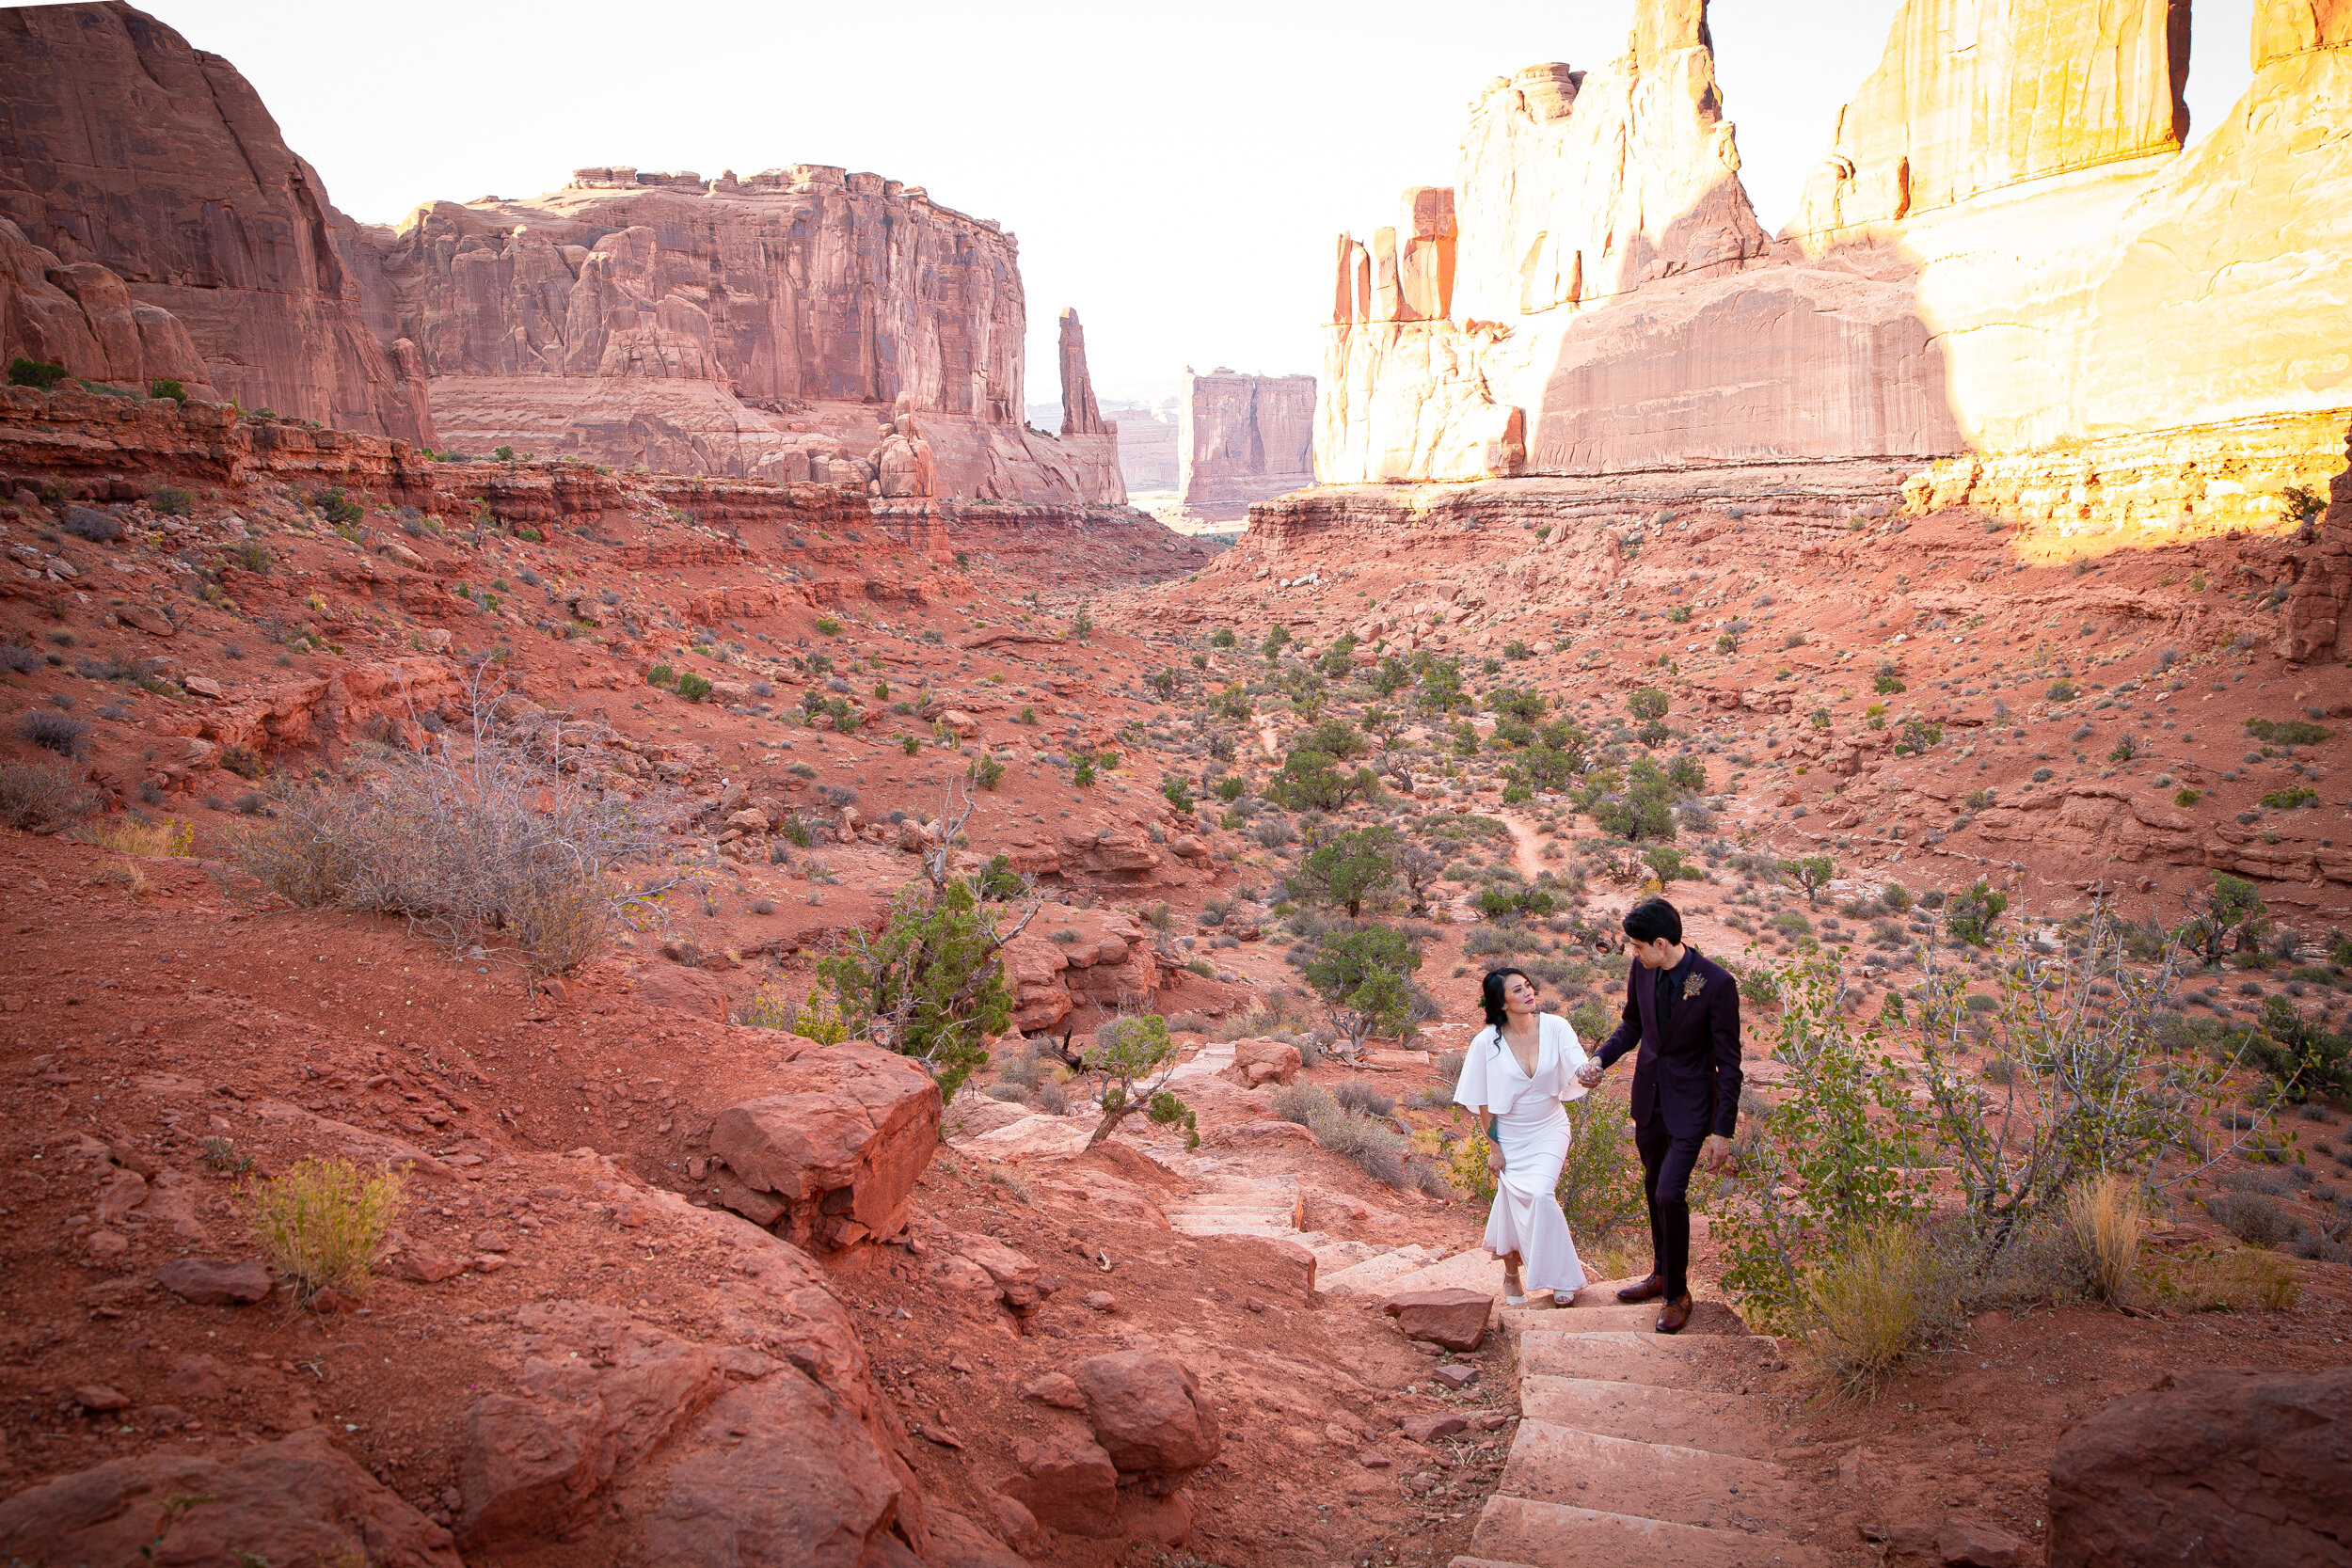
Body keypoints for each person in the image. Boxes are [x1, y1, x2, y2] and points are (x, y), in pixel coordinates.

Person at [1575, 896, 1740, 1334]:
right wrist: (1600, 1059)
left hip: (1691, 1109)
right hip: (1649, 1099)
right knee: (1653, 1189)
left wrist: (1722, 1130)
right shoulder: (1641, 970)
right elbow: (1632, 1025)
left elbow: (1730, 1063)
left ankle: (1679, 1293)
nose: (1632, 952)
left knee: (1670, 1193)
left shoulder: (1717, 984)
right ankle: (1660, 1273)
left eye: (1636, 946)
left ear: (1662, 943)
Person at [1452, 967, 1590, 1307]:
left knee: (1541, 1194)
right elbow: (1482, 1102)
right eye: (1518, 990)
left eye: (1528, 986)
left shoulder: (1556, 1027)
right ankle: (1511, 1277)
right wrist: (1494, 1148)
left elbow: (1577, 1064)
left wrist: (1589, 1073)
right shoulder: (1485, 1043)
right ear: (1501, 1003)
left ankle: (1561, 1278)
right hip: (1510, 1134)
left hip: (1549, 1126)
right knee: (1512, 1202)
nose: (1529, 993)